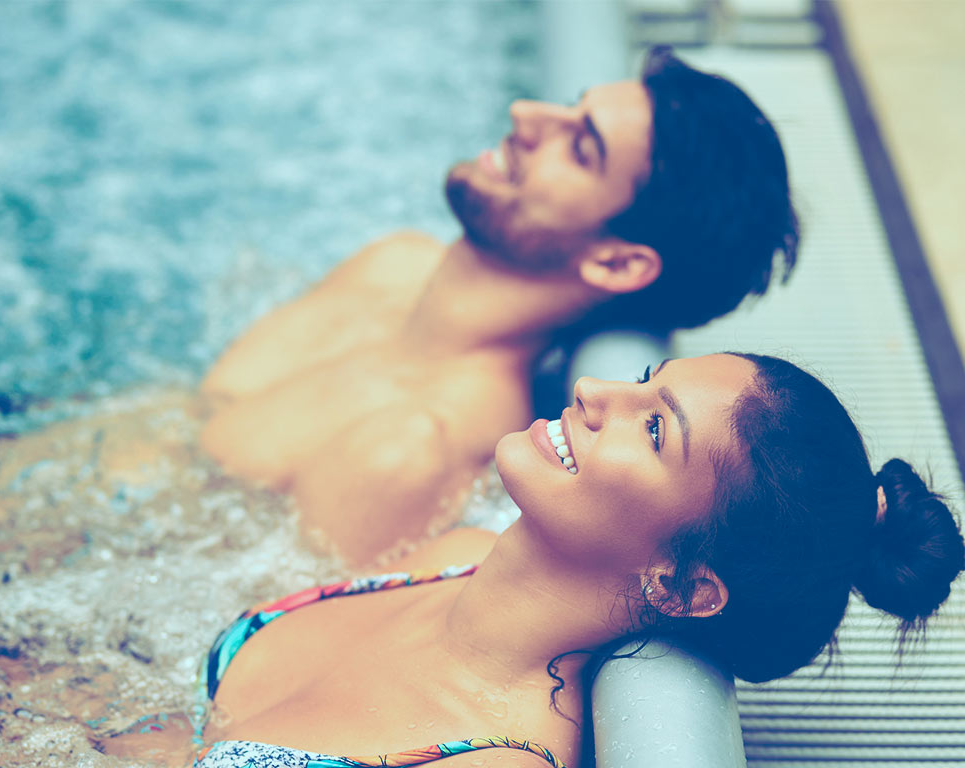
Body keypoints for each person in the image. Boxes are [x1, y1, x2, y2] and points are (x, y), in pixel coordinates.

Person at [105, 353, 963, 768]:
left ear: (682, 584)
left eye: (654, 427)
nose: (596, 392)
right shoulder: (448, 554)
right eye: (641, 375)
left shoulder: (489, 760)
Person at [198, 48, 800, 564]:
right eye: (568, 105)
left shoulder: (410, 451)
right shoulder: (392, 262)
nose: (526, 115)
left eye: (580, 147)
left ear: (616, 263)